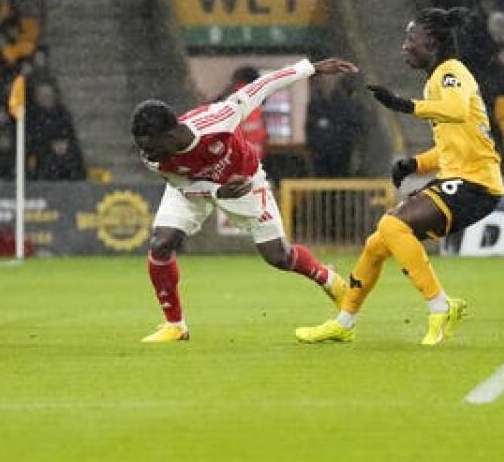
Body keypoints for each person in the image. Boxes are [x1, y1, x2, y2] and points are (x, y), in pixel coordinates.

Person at [296, 7, 504, 347]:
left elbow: (456, 111)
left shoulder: (451, 71)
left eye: (412, 39)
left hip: (477, 184)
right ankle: (344, 322)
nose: (405, 46)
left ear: (432, 42)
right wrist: (414, 164)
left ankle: (441, 307)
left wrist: (404, 105)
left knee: (393, 226)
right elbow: (451, 146)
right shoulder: (437, 79)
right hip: (463, 178)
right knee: (376, 243)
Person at [132, 56, 358, 343]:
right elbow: (185, 187)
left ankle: (328, 279)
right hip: (191, 187)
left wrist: (310, 68)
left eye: (150, 146)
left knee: (279, 257)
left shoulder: (218, 118)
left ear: (170, 134)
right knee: (161, 243)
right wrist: (216, 192)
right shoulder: (154, 159)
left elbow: (263, 85)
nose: (146, 154)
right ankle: (175, 325)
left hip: (245, 182)